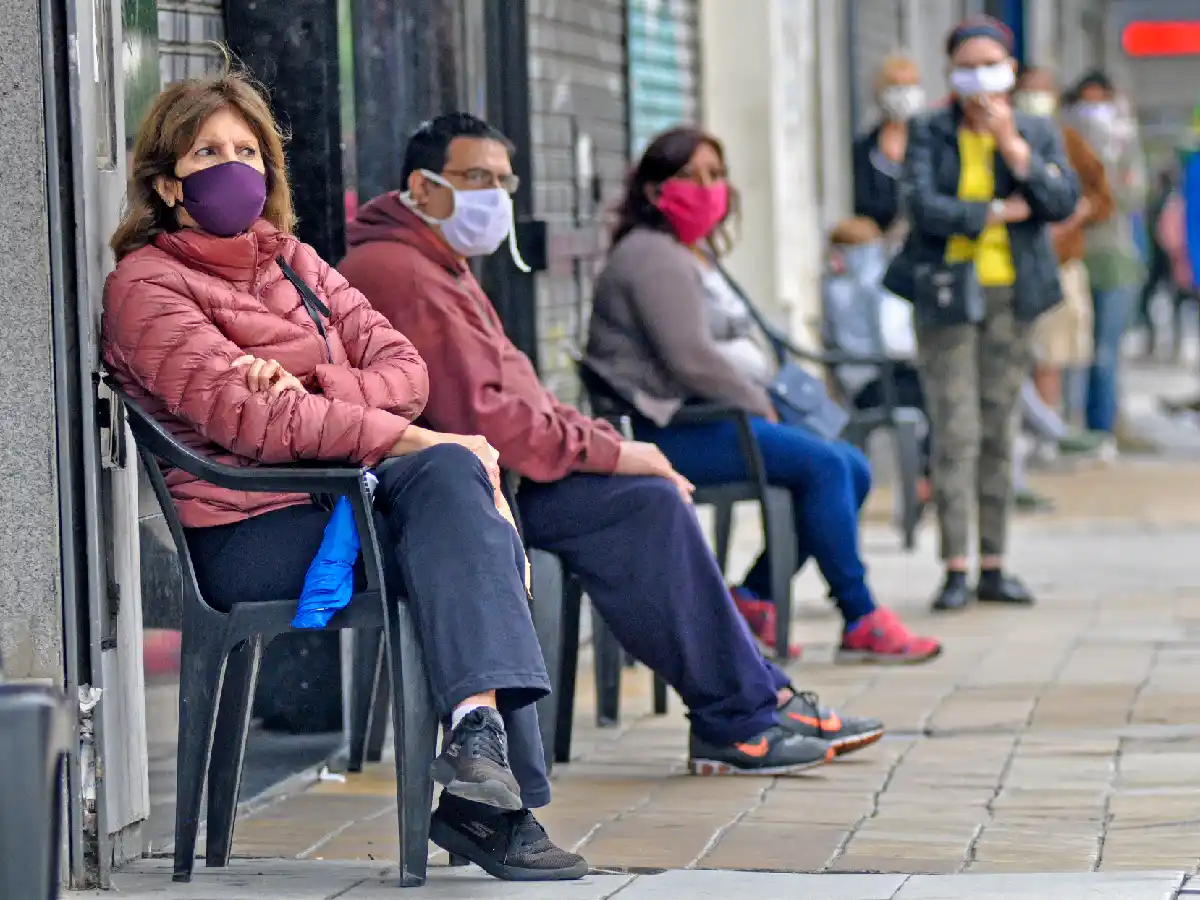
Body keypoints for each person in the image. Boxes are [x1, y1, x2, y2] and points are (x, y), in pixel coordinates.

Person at [101, 67, 589, 882]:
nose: (233, 167)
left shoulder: (296, 263)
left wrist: (314, 383)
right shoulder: (144, 288)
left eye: (247, 152)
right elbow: (256, 423)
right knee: (465, 515)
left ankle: (478, 741)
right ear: (167, 182)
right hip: (250, 531)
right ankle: (492, 806)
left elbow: (407, 370)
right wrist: (404, 435)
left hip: (344, 503)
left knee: (454, 483)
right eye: (208, 153)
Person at [337, 113, 887, 779]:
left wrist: (599, 442)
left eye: (505, 182)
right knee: (643, 504)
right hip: (458, 501)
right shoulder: (399, 270)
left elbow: (525, 400)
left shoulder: (438, 263)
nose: (496, 197)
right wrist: (615, 452)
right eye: (477, 178)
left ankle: (755, 700)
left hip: (499, 480)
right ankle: (743, 716)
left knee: (650, 496)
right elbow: (490, 420)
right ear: (422, 188)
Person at [586, 125, 943, 664]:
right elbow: (690, 359)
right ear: (656, 190)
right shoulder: (651, 257)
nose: (709, 188)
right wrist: (759, 404)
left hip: (715, 416)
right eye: (690, 176)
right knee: (826, 466)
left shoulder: (689, 252)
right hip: (673, 431)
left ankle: (753, 597)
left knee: (851, 466)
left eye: (716, 174)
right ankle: (861, 615)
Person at [883, 16, 1078, 612]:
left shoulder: (1036, 130)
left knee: (999, 427)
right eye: (967, 67)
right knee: (956, 428)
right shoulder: (929, 130)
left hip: (1012, 296)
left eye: (991, 64)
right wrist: (996, 212)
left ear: (1011, 70)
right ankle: (955, 566)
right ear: (950, 73)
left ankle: (994, 562)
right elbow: (923, 206)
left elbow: (1060, 200)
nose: (980, 77)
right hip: (946, 292)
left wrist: (1014, 146)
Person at [1013, 66, 1114, 430]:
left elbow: (1101, 197)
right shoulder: (1007, 138)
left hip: (1060, 264)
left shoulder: (1069, 141)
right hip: (1015, 264)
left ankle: (1053, 432)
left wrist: (1073, 215)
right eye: (1029, 90)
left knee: (1054, 359)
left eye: (1043, 91)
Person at [1063, 70, 1147, 449]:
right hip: (1073, 256)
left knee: (1106, 351)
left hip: (1115, 258)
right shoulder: (1065, 140)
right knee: (1074, 351)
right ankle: (1072, 427)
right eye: (1087, 102)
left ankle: (1104, 427)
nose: (1094, 110)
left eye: (1101, 102)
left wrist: (1109, 163)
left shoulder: (1124, 142)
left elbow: (1130, 196)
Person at [821, 216, 931, 498]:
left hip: (853, 385)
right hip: (879, 381)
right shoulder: (877, 282)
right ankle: (924, 479)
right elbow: (895, 342)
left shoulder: (833, 286)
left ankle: (922, 480)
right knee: (935, 395)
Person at [853, 54, 925, 235]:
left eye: (910, 85)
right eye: (896, 86)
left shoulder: (931, 141)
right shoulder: (866, 149)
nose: (904, 95)